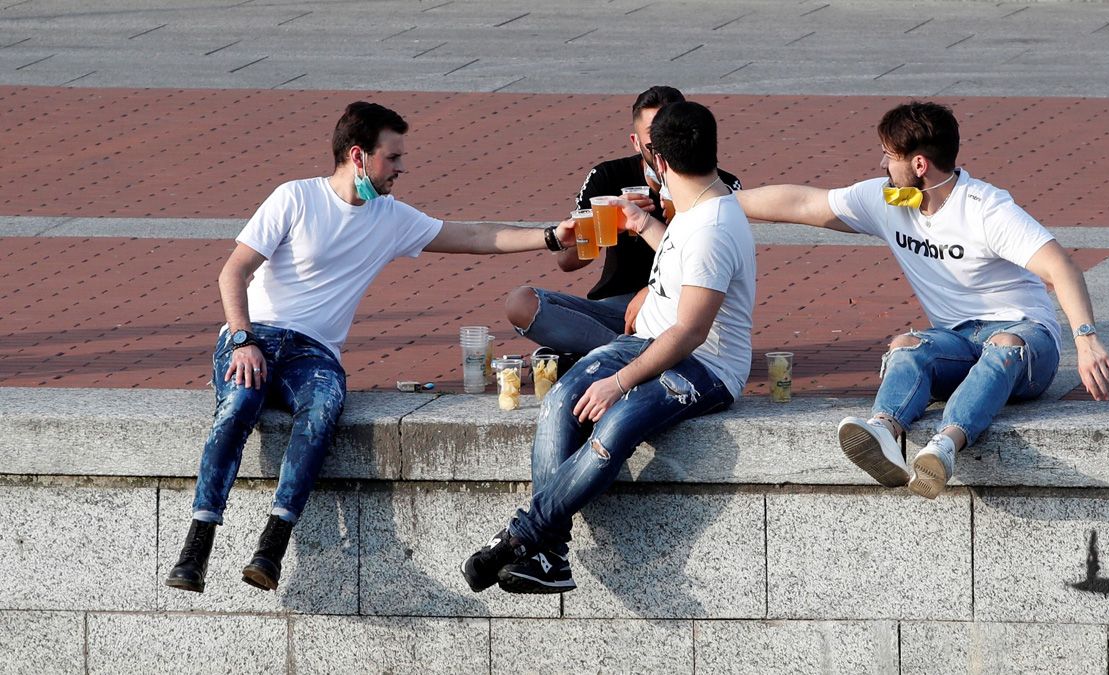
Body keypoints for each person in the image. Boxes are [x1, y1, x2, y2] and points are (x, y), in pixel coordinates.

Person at [165, 101, 578, 594]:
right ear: (358, 156)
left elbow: (473, 234)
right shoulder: (294, 198)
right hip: (254, 336)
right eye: (393, 158)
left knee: (321, 410)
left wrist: (552, 236)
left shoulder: (390, 218)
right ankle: (198, 542)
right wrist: (241, 339)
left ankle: (273, 543)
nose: (402, 169)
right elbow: (232, 272)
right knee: (238, 406)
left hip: (314, 352)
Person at [736, 100, 1109, 499]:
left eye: (889, 156)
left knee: (1003, 347)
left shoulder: (985, 209)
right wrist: (721, 203)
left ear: (919, 165)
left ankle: (945, 446)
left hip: (1025, 339)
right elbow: (801, 204)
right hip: (956, 339)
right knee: (906, 346)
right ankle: (884, 431)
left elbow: (1062, 268)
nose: (882, 165)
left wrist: (1086, 340)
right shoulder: (886, 200)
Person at [462, 101, 756, 594]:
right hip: (643, 340)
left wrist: (619, 382)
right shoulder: (696, 206)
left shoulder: (713, 226)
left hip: (705, 366)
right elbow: (679, 258)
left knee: (615, 424)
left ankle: (524, 536)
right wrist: (643, 226)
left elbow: (690, 334)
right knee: (561, 399)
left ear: (657, 161)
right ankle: (550, 557)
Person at [504, 86, 740, 363]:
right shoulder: (608, 176)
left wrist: (652, 291)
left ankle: (598, 356)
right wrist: (604, 225)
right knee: (522, 303)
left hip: (682, 308)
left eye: (670, 141)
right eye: (653, 145)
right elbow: (567, 262)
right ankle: (634, 356)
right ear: (635, 142)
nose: (663, 154)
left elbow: (715, 268)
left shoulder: (716, 185)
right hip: (618, 310)